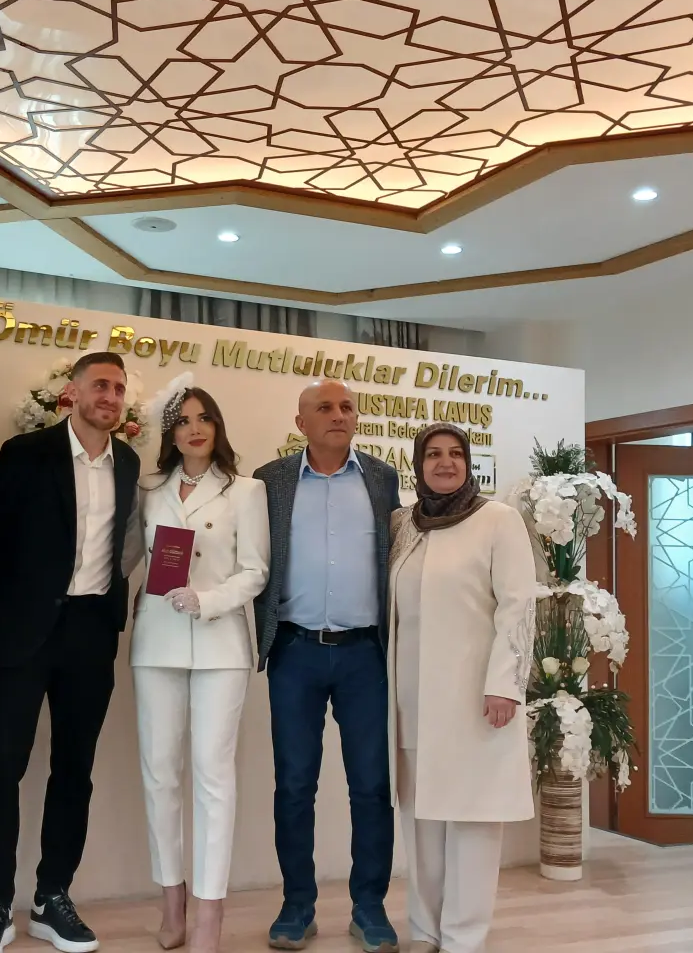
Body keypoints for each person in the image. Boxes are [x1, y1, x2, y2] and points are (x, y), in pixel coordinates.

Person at [0, 351, 143, 953]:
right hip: (21, 635)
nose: (110, 397)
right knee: (0, 767)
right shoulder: (26, 453)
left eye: (118, 388)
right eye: (101, 385)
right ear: (73, 392)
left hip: (91, 634)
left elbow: (124, 546)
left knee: (74, 770)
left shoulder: (128, 462)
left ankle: (51, 897)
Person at [251, 379, 400, 953]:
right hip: (295, 651)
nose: (338, 415)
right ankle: (297, 906)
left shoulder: (382, 478)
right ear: (301, 422)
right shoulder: (270, 480)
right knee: (294, 785)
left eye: (346, 407)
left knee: (371, 786)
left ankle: (370, 908)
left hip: (366, 654)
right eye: (324, 408)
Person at [130, 377, 270, 953]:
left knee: (213, 776)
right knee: (160, 773)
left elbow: (255, 570)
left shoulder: (246, 490)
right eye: (183, 420)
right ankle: (173, 900)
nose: (195, 428)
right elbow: (124, 557)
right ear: (169, 433)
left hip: (220, 646)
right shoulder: (147, 488)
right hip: (156, 642)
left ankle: (210, 912)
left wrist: (207, 600)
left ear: (218, 426)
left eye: (204, 417)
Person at [387, 423, 537, 953]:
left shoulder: (498, 520)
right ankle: (425, 931)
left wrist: (505, 685)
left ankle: (463, 938)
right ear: (418, 464)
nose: (445, 462)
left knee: (473, 820)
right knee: (421, 820)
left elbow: (519, 606)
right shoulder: (405, 525)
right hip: (412, 700)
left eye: (455, 453)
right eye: (433, 454)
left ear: (469, 463)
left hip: (476, 698)